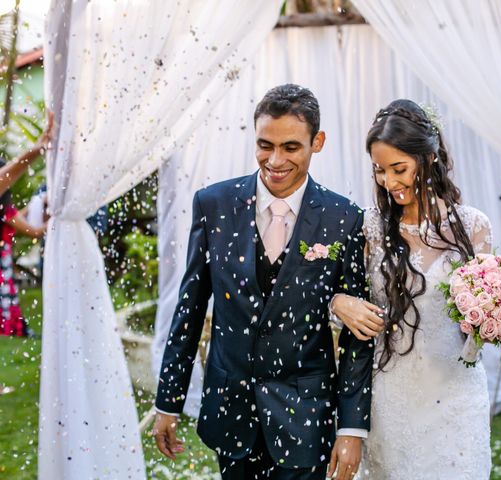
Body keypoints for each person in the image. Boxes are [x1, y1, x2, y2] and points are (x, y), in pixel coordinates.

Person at [153, 84, 373, 480]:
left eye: (291, 147)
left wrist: (351, 427)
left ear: (316, 142)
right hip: (231, 409)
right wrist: (168, 401)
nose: (275, 160)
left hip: (306, 413)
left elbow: (359, 333)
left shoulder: (344, 218)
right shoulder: (213, 205)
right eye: (264, 145)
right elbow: (190, 307)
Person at [330, 100, 493, 479]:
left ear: (430, 157)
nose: (390, 182)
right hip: (392, 394)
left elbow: (484, 316)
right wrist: (339, 302)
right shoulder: (369, 227)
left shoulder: (474, 228)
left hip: (457, 395)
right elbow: (335, 294)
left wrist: (500, 320)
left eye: (399, 169)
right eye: (380, 171)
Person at [0, 112, 54, 338]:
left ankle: (16, 329)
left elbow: (18, 219)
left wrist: (39, 205)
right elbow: (33, 231)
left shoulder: (6, 212)